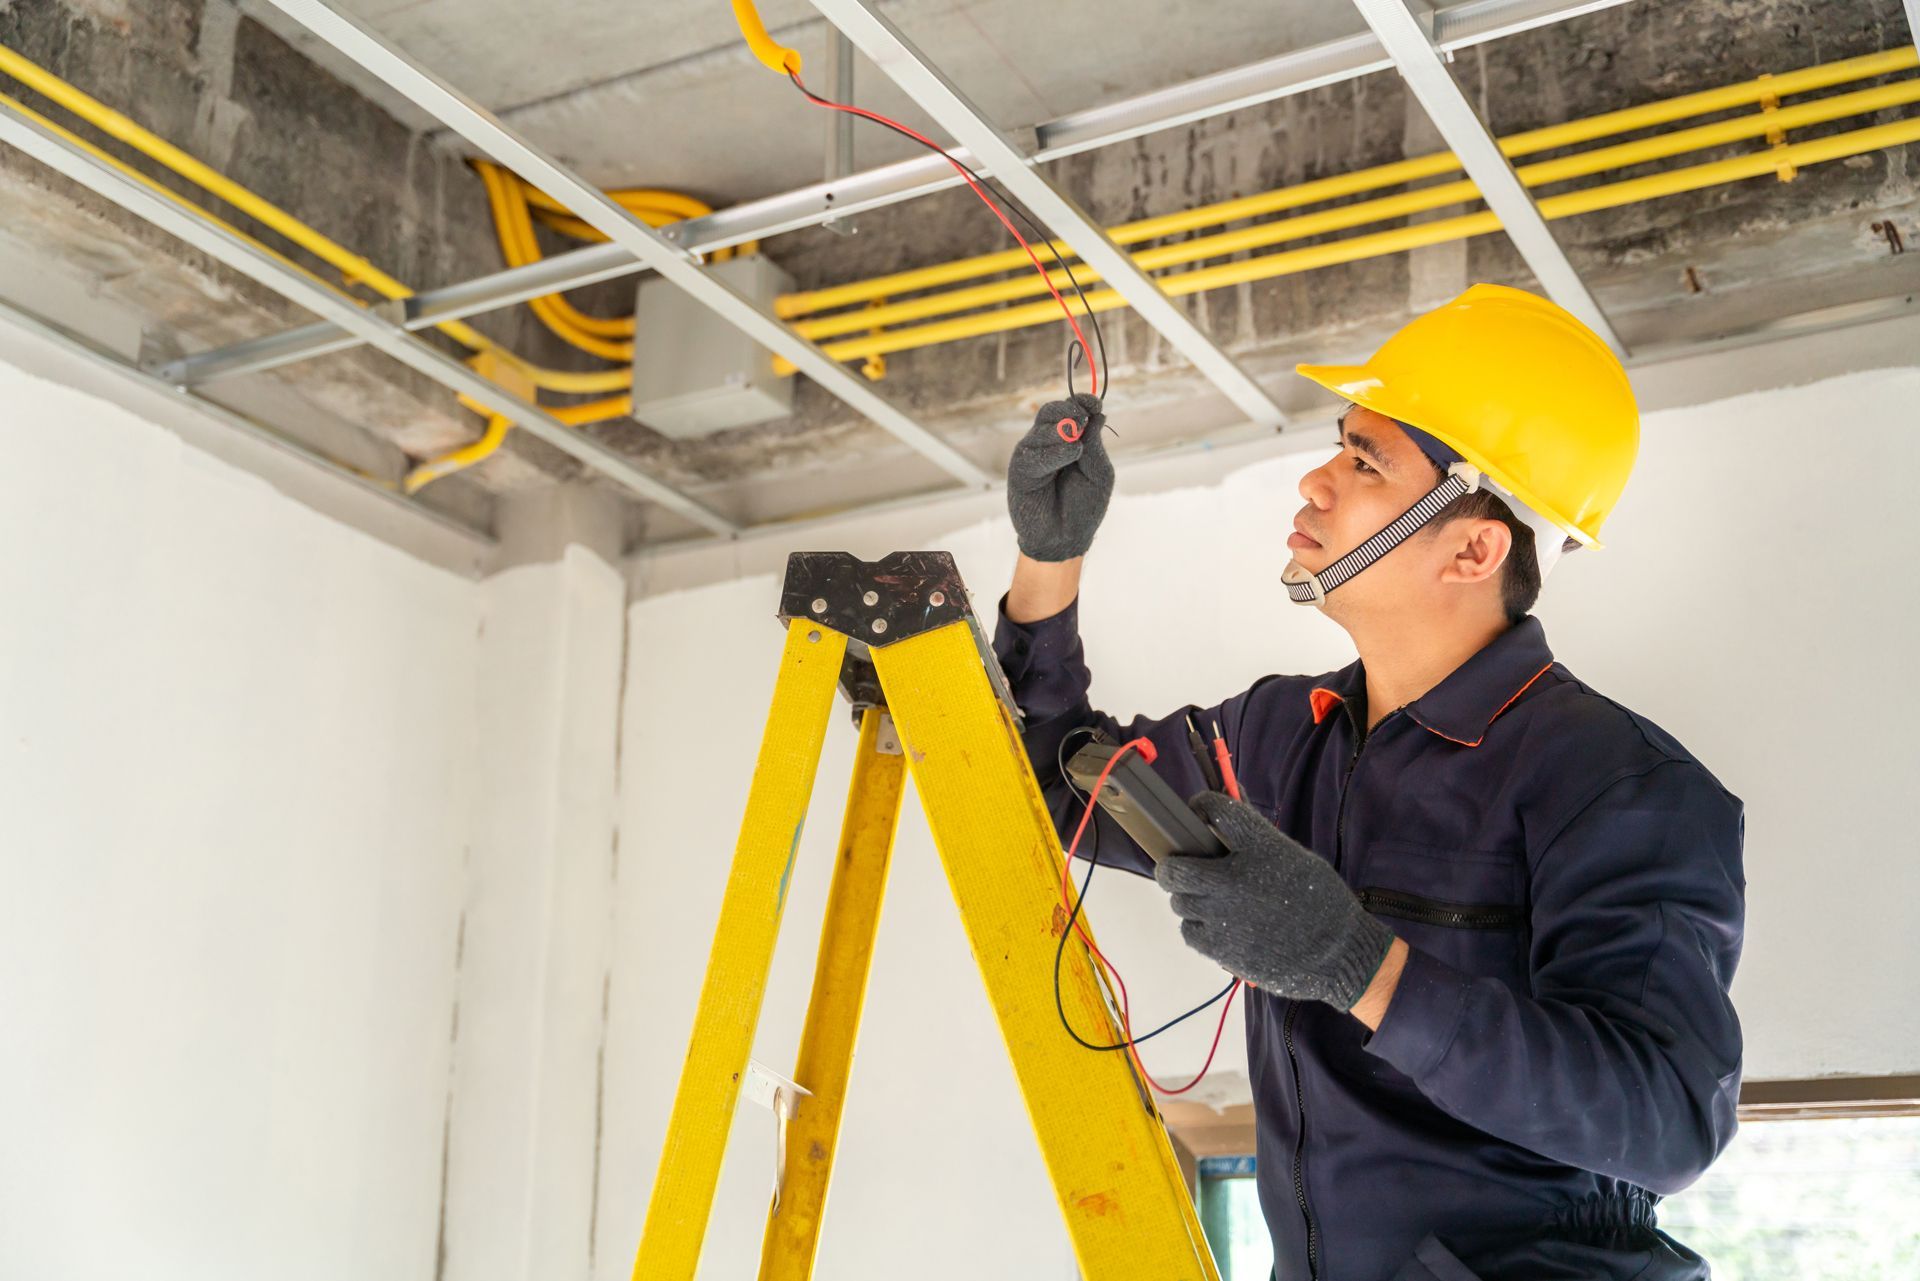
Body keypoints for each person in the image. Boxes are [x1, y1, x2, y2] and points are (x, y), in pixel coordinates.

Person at [992, 284, 1745, 1281]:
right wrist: (1050, 561)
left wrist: (1361, 965)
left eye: (1364, 462)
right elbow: (1057, 787)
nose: (1314, 480)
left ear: (1475, 547)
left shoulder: (1621, 786)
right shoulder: (1277, 736)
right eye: (1339, 445)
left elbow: (1665, 1119)